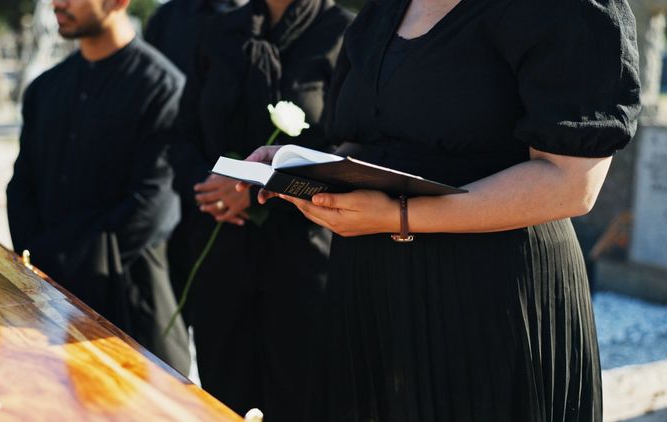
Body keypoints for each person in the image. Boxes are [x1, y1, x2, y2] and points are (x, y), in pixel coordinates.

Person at [241, 0, 641, 419]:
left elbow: (572, 184)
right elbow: (376, 138)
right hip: (371, 297)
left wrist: (400, 215)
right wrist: (303, 167)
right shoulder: (383, 11)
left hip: (490, 300)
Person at [175, 0, 352, 417]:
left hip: (304, 259)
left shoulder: (345, 33)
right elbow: (181, 136)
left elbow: (346, 151)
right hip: (220, 252)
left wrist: (256, 190)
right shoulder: (219, 32)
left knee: (304, 401)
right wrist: (208, 185)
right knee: (222, 400)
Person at [6, 0, 190, 374]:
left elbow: (153, 207)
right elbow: (21, 188)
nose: (58, 4)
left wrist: (60, 254)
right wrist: (40, 265)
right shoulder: (45, 89)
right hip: (47, 301)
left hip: (133, 305)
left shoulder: (164, 88)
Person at [144, 0, 247, 326]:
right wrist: (204, 184)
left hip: (256, 211)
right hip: (179, 196)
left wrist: (245, 186)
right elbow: (158, 117)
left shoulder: (262, 19)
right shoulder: (168, 18)